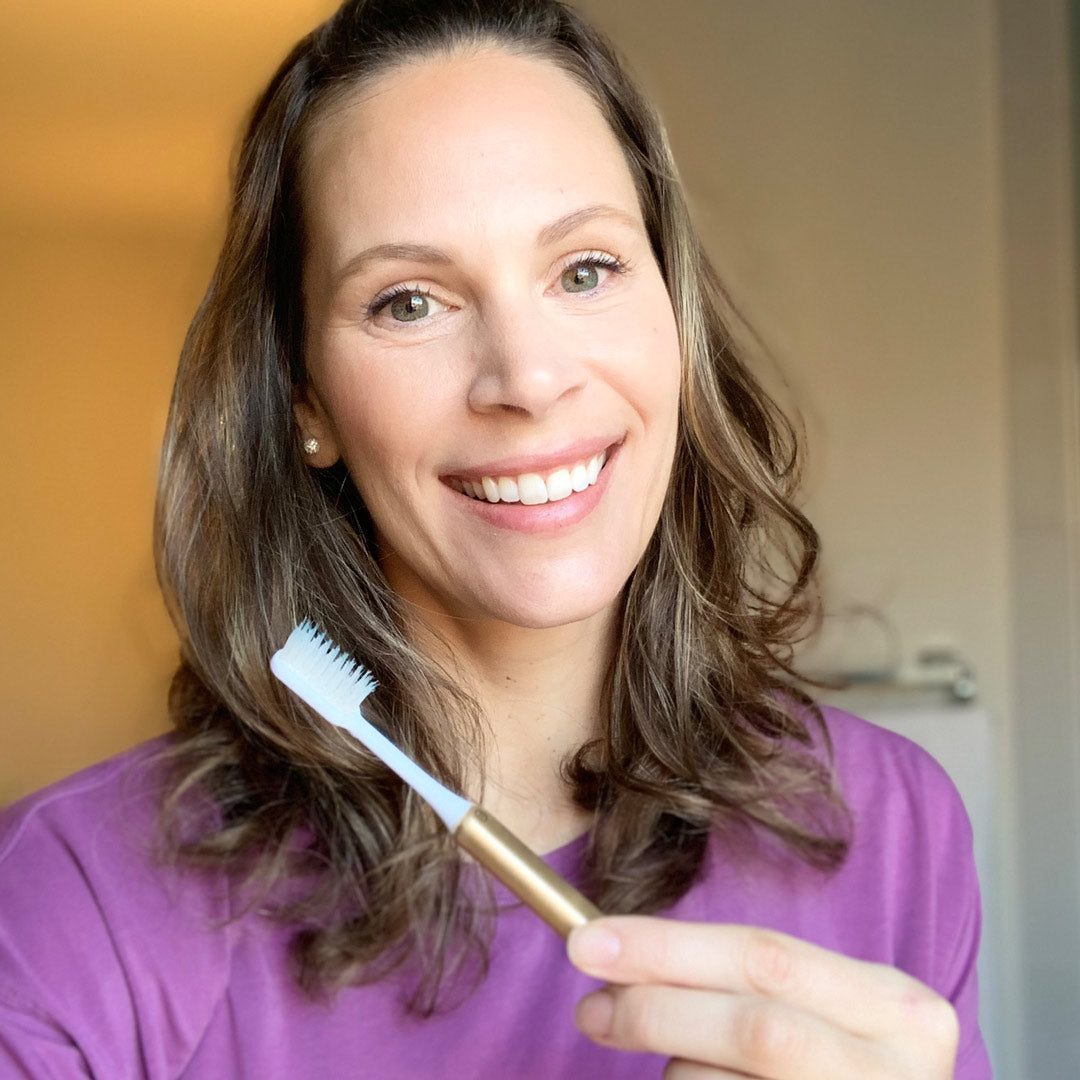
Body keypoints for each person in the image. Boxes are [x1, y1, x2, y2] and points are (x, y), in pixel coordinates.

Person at [0, 1, 990, 1076]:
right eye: (409, 302)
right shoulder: (66, 905)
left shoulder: (891, 828)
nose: (527, 377)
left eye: (585, 269)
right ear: (305, 398)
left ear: (673, 314)